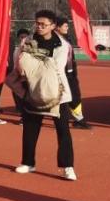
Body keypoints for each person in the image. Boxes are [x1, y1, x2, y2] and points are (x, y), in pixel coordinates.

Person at [8, 10, 78, 181]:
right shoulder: (27, 41)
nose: (39, 27)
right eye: (37, 23)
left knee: (63, 130)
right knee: (30, 128)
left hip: (57, 93)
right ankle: (28, 162)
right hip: (33, 90)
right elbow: (19, 61)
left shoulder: (62, 45)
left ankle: (67, 166)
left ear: (53, 26)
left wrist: (32, 58)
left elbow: (57, 66)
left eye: (43, 24)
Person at [55, 18, 91, 130]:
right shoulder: (54, 40)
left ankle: (78, 119)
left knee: (75, 95)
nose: (67, 28)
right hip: (60, 74)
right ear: (57, 27)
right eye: (65, 26)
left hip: (70, 73)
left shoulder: (66, 38)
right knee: (61, 97)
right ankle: (77, 120)